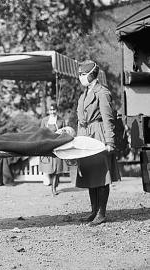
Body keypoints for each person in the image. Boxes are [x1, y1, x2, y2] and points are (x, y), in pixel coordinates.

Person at [75, 60, 120, 226]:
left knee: (101, 176)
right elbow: (80, 120)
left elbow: (108, 119)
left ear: (91, 74)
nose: (80, 77)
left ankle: (101, 213)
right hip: (86, 136)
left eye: (82, 74)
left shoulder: (102, 93)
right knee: (90, 175)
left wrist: (110, 142)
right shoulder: (84, 94)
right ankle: (94, 211)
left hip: (99, 135)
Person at [38, 103, 66, 195]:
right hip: (47, 145)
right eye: (51, 110)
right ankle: (53, 183)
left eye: (54, 110)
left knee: (57, 168)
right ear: (48, 111)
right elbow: (41, 133)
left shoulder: (61, 120)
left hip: (58, 146)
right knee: (49, 167)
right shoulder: (45, 120)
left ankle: (53, 189)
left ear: (57, 110)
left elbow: (65, 132)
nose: (52, 112)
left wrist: (61, 132)